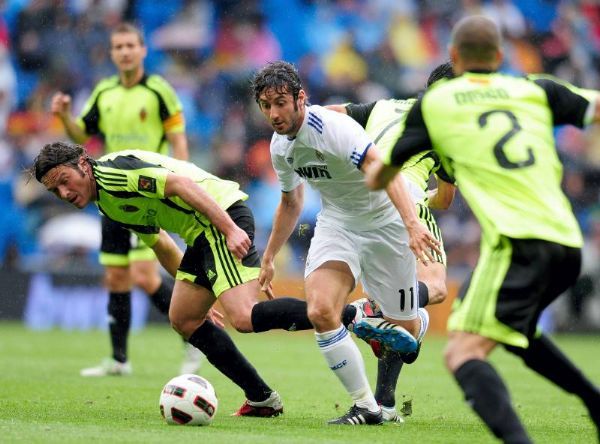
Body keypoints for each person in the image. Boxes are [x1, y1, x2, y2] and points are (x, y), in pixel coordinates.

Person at [366, 15, 600, 443]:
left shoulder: (435, 106)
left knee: (462, 352)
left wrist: (375, 180)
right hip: (567, 241)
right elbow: (595, 107)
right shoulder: (535, 89)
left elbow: (384, 170)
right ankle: (594, 402)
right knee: (517, 332)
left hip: (517, 244)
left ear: (453, 57)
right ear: (499, 57)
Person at [30, 142, 374, 416]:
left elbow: (179, 184)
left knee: (243, 317)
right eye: (54, 190)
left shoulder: (114, 175)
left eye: (64, 181)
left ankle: (351, 315)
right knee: (183, 317)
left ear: (84, 165)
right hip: (201, 235)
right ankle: (262, 399)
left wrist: (228, 229)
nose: (63, 193)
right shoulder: (107, 204)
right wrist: (194, 292)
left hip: (219, 219)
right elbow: (161, 242)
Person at [251, 60, 438, 425]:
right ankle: (366, 407)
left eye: (280, 102)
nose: (273, 113)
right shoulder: (279, 147)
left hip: (386, 223)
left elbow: (383, 171)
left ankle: (415, 318)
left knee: (406, 339)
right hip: (338, 223)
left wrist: (412, 224)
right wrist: (270, 256)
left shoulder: (332, 128)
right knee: (321, 311)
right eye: (265, 105)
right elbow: (291, 202)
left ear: (300, 98)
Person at [50, 22, 197, 376]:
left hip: (145, 193)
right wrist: (64, 116)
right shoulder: (104, 92)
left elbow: (177, 139)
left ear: (143, 50)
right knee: (117, 277)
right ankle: (119, 359)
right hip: (108, 193)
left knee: (145, 276)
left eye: (131, 45)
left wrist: (186, 177)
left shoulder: (159, 90)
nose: (125, 51)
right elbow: (82, 134)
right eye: (119, 46)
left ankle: (193, 336)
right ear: (113, 53)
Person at [327, 62, 457, 422]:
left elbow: (331, 114)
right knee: (434, 289)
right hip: (406, 199)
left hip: (358, 200)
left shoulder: (384, 106)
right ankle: (370, 309)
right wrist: (421, 201)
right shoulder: (446, 130)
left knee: (399, 326)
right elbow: (445, 199)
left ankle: (383, 404)